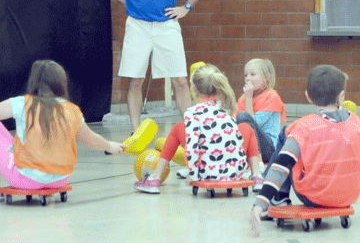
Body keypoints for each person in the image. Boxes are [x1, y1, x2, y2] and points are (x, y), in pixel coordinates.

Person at [100, 0, 209, 133]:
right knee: (135, 81)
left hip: (166, 25)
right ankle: (135, 131)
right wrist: (125, 1)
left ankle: (191, 129)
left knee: (179, 79)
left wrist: (185, 7)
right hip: (137, 26)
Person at [0, 60, 126, 203]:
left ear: (34, 81)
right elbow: (91, 140)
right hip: (61, 179)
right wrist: (110, 145)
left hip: (26, 180)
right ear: (61, 82)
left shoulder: (23, 103)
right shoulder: (72, 109)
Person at [250, 65, 360, 237]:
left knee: (286, 135)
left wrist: (260, 203)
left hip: (313, 197)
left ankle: (279, 197)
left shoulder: (303, 127)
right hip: (348, 196)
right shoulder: (356, 123)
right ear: (342, 97)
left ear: (308, 97)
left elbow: (282, 166)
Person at [133, 64, 262, 194]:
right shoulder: (227, 111)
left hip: (205, 173)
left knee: (179, 128)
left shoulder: (192, 113)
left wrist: (194, 175)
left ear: (193, 89)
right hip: (236, 171)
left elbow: (192, 147)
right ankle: (256, 176)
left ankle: (155, 178)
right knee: (246, 127)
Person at [235, 58, 286, 164]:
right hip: (248, 144)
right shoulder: (242, 98)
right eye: (246, 75)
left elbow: (251, 125)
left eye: (253, 74)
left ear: (266, 77)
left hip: (268, 148)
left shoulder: (272, 97)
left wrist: (248, 98)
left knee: (243, 117)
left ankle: (243, 161)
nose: (248, 78)